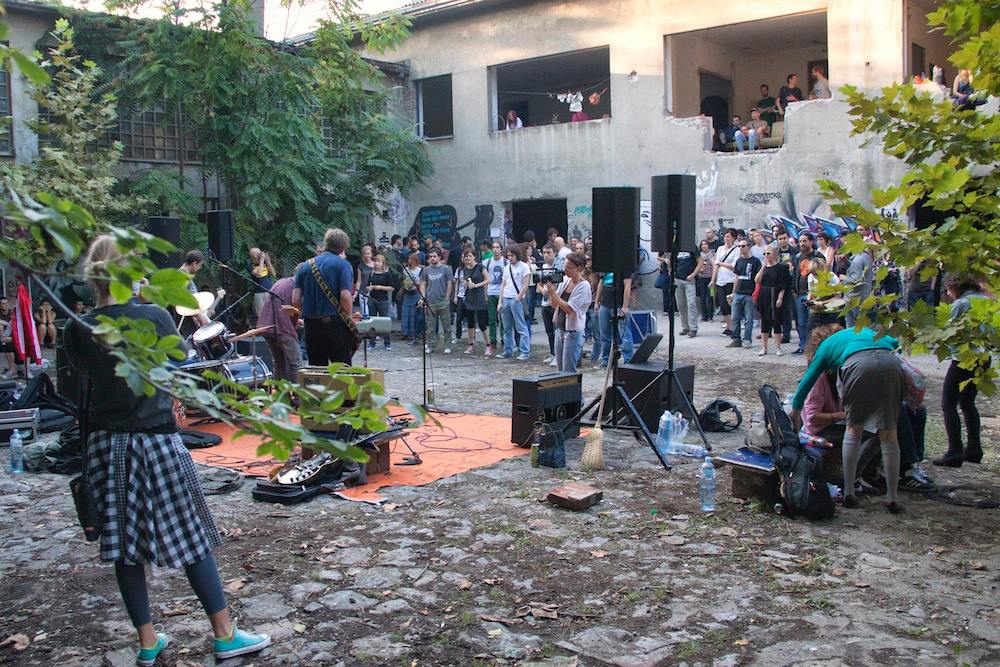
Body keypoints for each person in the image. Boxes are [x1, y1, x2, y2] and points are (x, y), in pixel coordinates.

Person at [65, 235, 270, 665]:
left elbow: (85, 381)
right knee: (193, 536)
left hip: (105, 443)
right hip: (155, 438)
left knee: (125, 546)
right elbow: (176, 369)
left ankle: (146, 642)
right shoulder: (154, 316)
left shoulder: (76, 327)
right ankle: (224, 634)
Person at [790, 326, 904, 514]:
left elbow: (805, 383)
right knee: (889, 434)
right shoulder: (862, 331)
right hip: (890, 361)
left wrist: (795, 422)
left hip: (857, 364)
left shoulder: (825, 347)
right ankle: (892, 497)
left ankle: (849, 492)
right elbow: (894, 343)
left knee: (854, 428)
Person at [933, 279, 989, 467]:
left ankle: (954, 451)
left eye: (948, 290)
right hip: (983, 358)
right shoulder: (987, 301)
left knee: (948, 404)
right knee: (968, 403)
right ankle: (974, 449)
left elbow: (949, 332)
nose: (948, 294)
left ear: (956, 288)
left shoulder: (961, 303)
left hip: (964, 358)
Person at [292, 228, 355, 366]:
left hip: (311, 326)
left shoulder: (305, 266)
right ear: (343, 247)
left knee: (317, 371)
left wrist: (304, 314)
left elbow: (295, 299)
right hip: (335, 325)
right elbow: (345, 296)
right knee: (341, 370)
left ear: (326, 243)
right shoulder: (343, 265)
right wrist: (349, 317)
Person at [543, 252, 592, 373]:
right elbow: (554, 304)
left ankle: (573, 392)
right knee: (560, 369)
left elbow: (569, 309)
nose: (566, 270)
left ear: (579, 268)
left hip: (573, 332)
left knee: (568, 369)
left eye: (569, 267)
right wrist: (551, 293)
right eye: (565, 267)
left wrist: (554, 295)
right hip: (560, 328)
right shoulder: (565, 281)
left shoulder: (584, 286)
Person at [256, 267, 302, 382]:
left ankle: (281, 395)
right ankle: (297, 398)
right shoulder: (295, 286)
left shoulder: (282, 282)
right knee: (296, 363)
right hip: (282, 328)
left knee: (279, 362)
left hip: (267, 325)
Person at [595, 269, 637, 367]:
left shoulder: (624, 267)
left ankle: (628, 360)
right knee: (605, 334)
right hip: (605, 303)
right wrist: (597, 301)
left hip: (618, 304)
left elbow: (627, 286)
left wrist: (625, 306)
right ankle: (607, 359)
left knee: (625, 334)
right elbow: (601, 283)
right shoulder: (606, 267)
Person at [497, 244, 532, 360]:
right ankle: (508, 350)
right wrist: (500, 301)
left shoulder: (524, 267)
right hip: (506, 298)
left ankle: (525, 351)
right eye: (508, 256)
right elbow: (503, 285)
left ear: (517, 255)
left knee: (521, 326)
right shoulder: (507, 268)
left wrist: (519, 297)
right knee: (506, 328)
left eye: (512, 255)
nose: (510, 258)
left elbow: (526, 284)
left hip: (517, 299)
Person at [754, 246, 790, 355]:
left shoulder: (781, 268)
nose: (766, 256)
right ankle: (764, 347)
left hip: (775, 293)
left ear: (774, 254)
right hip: (764, 295)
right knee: (764, 322)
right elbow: (757, 280)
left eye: (768, 253)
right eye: (764, 254)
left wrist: (780, 298)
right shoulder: (763, 267)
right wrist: (763, 267)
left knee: (776, 322)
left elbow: (783, 284)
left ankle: (778, 347)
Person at [727, 240, 761, 348]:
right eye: (739, 246)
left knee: (749, 319)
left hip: (749, 294)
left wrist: (755, 294)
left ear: (749, 247)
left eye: (743, 246)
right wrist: (733, 292)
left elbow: (757, 280)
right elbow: (736, 277)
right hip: (738, 293)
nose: (741, 248)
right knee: (735, 318)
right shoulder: (739, 261)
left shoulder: (755, 261)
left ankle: (747, 339)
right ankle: (736, 338)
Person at [419, 248, 452, 355]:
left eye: (434, 256)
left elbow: (449, 283)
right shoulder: (426, 270)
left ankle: (447, 345)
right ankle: (431, 345)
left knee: (446, 325)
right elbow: (423, 284)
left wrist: (447, 298)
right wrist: (423, 298)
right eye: (430, 256)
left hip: (443, 301)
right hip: (430, 302)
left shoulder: (445, 269)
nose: (432, 258)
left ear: (439, 257)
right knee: (430, 326)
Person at [792, 233, 820, 354]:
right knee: (801, 322)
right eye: (800, 241)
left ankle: (814, 346)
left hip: (813, 294)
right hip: (800, 293)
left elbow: (823, 273)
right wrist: (794, 289)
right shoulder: (798, 256)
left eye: (804, 241)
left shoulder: (817, 256)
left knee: (813, 322)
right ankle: (803, 345)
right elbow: (795, 273)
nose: (802, 244)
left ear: (811, 242)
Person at [458, 249, 490, 355]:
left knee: (482, 323)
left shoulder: (480, 266)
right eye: (466, 256)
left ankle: (488, 345)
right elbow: (463, 280)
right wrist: (466, 283)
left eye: (470, 256)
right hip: (469, 297)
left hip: (479, 296)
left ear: (474, 257)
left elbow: (488, 279)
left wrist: (476, 285)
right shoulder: (464, 269)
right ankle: (471, 344)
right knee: (470, 322)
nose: (468, 258)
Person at [712, 229, 740, 336]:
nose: (726, 238)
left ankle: (733, 327)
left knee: (730, 304)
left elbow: (734, 265)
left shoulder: (736, 250)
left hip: (730, 279)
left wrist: (721, 263)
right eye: (725, 236)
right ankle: (729, 325)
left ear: (733, 238)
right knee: (722, 304)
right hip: (720, 279)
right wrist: (713, 279)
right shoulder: (720, 249)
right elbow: (716, 264)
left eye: (728, 236)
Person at [673, 243, 704, 338]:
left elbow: (700, 262)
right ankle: (685, 326)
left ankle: (693, 328)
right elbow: (672, 262)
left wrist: (693, 274)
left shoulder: (692, 247)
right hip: (678, 279)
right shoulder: (677, 247)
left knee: (691, 304)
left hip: (689, 280)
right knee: (680, 304)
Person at [366, 254, 394, 350]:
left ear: (383, 263)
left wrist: (380, 287)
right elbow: (367, 285)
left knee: (384, 321)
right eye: (376, 261)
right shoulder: (372, 273)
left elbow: (391, 287)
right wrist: (370, 287)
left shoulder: (387, 274)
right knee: (371, 321)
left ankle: (387, 342)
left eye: (379, 261)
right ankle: (372, 342)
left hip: (383, 300)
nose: (377, 263)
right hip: (372, 299)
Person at [485, 241, 506, 356]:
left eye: (497, 247)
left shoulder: (505, 262)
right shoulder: (487, 262)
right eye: (493, 247)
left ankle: (503, 340)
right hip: (491, 292)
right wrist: (485, 295)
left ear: (501, 249)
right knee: (491, 319)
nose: (495, 249)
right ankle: (492, 340)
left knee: (503, 319)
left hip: (501, 293)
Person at [843, 249, 873, 328]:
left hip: (855, 299)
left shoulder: (857, 261)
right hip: (866, 296)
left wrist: (843, 278)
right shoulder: (866, 256)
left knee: (852, 329)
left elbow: (856, 280)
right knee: (867, 327)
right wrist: (846, 262)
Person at [400, 252, 424, 345]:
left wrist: (414, 283)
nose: (410, 261)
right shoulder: (405, 270)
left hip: (415, 292)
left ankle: (413, 333)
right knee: (405, 313)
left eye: (412, 259)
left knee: (414, 314)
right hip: (407, 292)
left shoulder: (420, 270)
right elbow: (403, 280)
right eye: (409, 259)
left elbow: (421, 282)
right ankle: (405, 333)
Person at [539, 244, 558, 365]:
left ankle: (557, 354)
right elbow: (539, 284)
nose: (546, 255)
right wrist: (542, 290)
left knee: (557, 330)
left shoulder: (558, 266)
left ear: (554, 253)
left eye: (548, 252)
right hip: (545, 302)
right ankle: (552, 353)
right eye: (544, 252)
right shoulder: (543, 267)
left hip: (554, 302)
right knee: (549, 331)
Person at [248, 247, 275, 317]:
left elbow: (273, 274)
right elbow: (259, 274)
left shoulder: (265, 262)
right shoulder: (250, 265)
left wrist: (268, 262)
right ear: (253, 256)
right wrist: (262, 261)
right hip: (259, 293)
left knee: (272, 315)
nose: (260, 255)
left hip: (269, 291)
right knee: (262, 316)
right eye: (258, 254)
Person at [354, 243, 376, 318]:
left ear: (371, 254)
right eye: (365, 254)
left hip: (373, 292)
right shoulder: (361, 266)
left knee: (373, 313)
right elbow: (359, 280)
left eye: (368, 253)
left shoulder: (376, 265)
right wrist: (355, 293)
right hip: (363, 292)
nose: (367, 255)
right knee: (365, 313)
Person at [696, 240, 715, 322]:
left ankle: (711, 316)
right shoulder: (699, 255)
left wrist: (714, 279)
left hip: (710, 278)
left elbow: (715, 265)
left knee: (710, 297)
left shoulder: (712, 254)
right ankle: (704, 316)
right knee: (702, 297)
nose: (704, 246)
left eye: (705, 244)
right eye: (702, 244)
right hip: (701, 278)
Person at [0, 297, 15, 376]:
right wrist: (7, 323)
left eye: (6, 303)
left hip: (12, 336)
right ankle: (12, 369)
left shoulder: (12, 313)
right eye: (3, 303)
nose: (6, 305)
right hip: (3, 337)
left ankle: (21, 370)